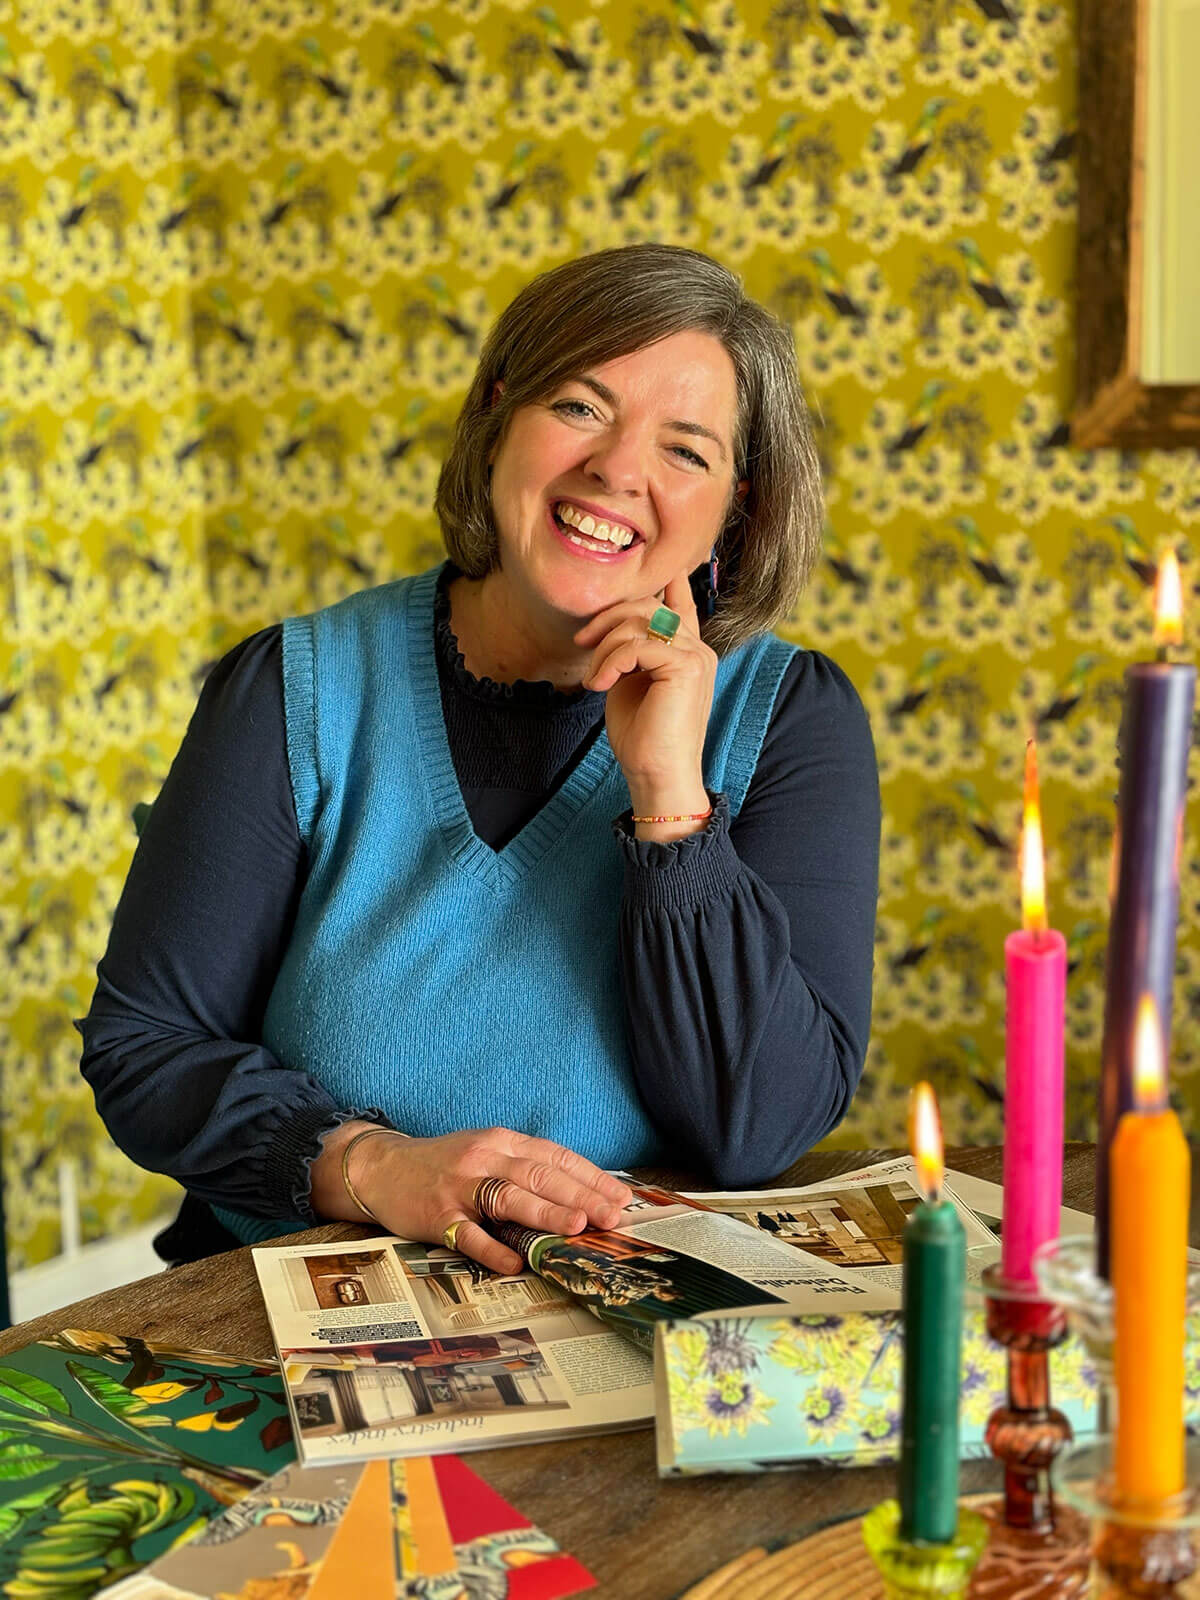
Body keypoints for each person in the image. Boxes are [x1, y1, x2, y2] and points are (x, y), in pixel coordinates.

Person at [78, 243, 880, 1275]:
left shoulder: (792, 717)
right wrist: (369, 1163)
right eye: (581, 407)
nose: (618, 470)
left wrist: (671, 802)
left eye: (686, 450)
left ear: (739, 505)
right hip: (297, 1292)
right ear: (499, 416)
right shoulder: (292, 686)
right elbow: (147, 1045)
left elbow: (756, 1129)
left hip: (633, 1314)